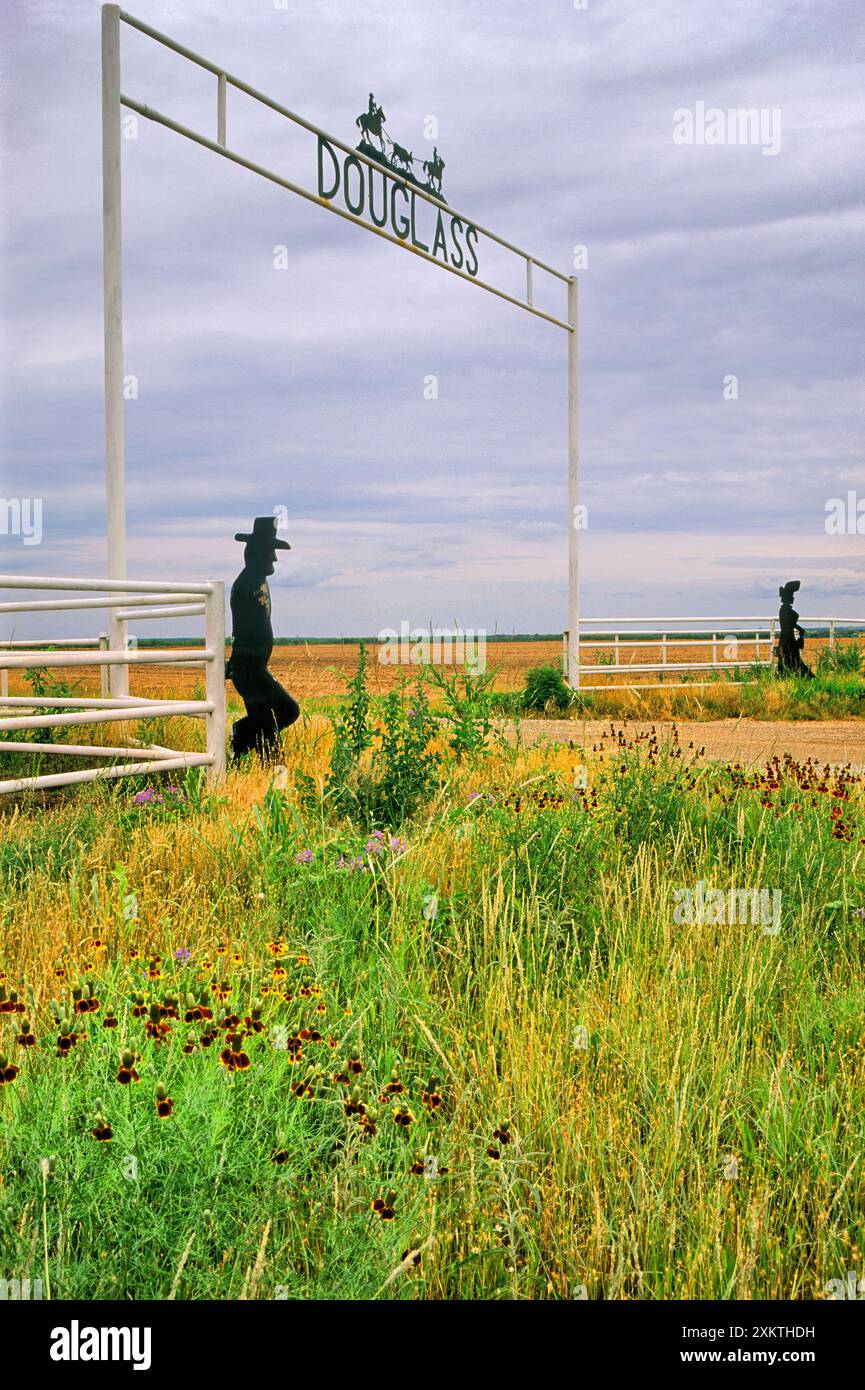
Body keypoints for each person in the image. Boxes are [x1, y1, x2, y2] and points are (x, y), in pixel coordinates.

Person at [226, 517, 300, 760]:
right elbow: (242, 630)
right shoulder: (246, 584)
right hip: (250, 669)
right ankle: (244, 736)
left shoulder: (256, 580)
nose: (274, 558)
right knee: (285, 712)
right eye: (271, 552)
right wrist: (238, 664)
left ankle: (246, 751)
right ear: (257, 552)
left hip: (254, 667)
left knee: (269, 722)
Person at [776, 579, 814, 678]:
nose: (793, 598)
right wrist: (800, 631)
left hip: (786, 639)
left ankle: (788, 678)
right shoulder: (786, 611)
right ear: (788, 598)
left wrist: (800, 629)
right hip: (788, 639)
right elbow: (790, 624)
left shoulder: (784, 610)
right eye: (792, 596)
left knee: (790, 661)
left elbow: (790, 624)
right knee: (793, 660)